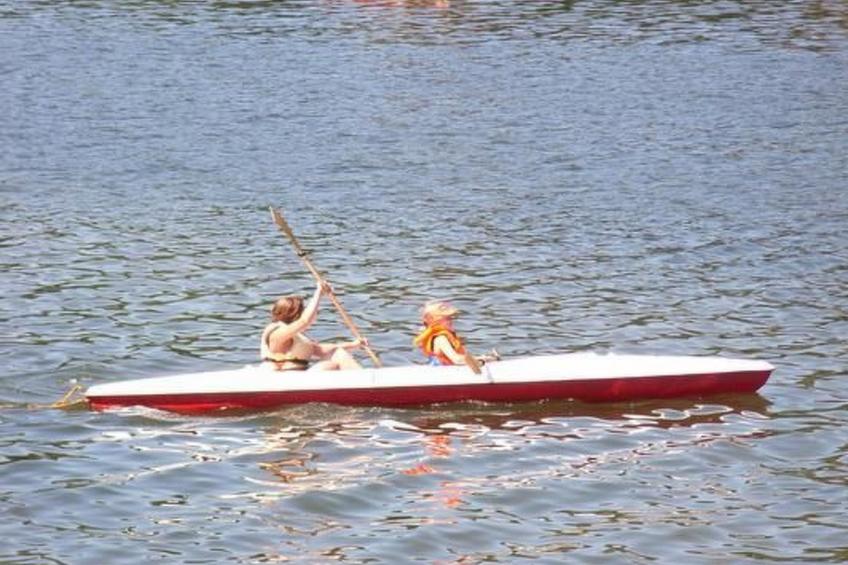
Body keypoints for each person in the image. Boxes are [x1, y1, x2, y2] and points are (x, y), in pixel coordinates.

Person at [261, 282, 366, 371]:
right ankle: (366, 385)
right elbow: (305, 321)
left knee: (338, 354)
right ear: (295, 314)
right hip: (285, 381)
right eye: (302, 310)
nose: (304, 312)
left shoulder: (297, 336)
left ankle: (366, 383)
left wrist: (354, 344)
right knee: (329, 365)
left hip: (299, 378)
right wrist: (319, 293)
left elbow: (321, 350)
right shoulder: (276, 333)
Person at [413, 300, 491, 366]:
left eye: (450, 318)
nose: (451, 321)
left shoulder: (439, 336)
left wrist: (481, 358)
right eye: (447, 318)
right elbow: (457, 360)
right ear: (435, 321)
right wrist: (481, 362)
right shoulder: (440, 339)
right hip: (444, 376)